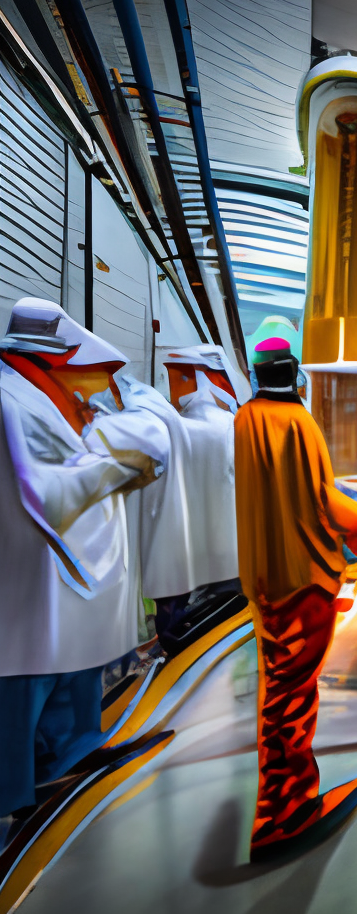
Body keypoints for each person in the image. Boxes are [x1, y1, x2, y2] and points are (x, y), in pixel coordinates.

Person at [0, 299, 167, 818]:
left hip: (53, 585)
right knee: (21, 701)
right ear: (52, 360)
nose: (89, 392)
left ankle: (61, 770)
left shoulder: (32, 396)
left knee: (56, 685)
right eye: (82, 374)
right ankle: (16, 817)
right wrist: (116, 467)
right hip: (26, 585)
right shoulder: (12, 401)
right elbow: (46, 493)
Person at [234, 336, 357, 863]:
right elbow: (323, 499)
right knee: (294, 698)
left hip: (265, 579)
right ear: (295, 372)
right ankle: (286, 813)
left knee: (276, 692)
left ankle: (276, 805)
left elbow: (283, 495)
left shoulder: (245, 419)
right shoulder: (299, 423)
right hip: (305, 581)